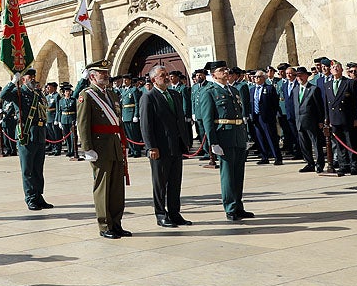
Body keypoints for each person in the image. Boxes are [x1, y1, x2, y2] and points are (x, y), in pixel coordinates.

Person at [76, 61, 129, 238]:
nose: (106, 76)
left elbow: (118, 121)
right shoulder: (87, 95)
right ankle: (105, 225)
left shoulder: (112, 94)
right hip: (99, 146)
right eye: (101, 73)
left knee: (117, 187)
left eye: (106, 73)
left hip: (115, 144)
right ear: (92, 76)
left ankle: (116, 223)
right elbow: (83, 123)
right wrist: (87, 148)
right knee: (103, 186)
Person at [197, 61, 253, 221]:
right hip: (224, 137)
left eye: (226, 70)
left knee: (238, 174)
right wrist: (213, 143)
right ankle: (230, 208)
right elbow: (208, 119)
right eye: (222, 70)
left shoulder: (234, 90)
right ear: (214, 75)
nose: (226, 72)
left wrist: (245, 135)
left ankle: (238, 205)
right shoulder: (209, 92)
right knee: (228, 175)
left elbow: (240, 114)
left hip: (238, 136)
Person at [139, 66, 190, 228]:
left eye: (167, 74)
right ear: (154, 80)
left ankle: (175, 213)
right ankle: (161, 214)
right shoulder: (149, 97)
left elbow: (179, 120)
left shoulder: (175, 95)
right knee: (160, 184)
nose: (167, 77)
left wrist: (185, 141)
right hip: (160, 148)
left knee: (175, 182)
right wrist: (151, 147)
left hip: (176, 146)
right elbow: (146, 125)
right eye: (163, 75)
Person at [0, 69, 53, 211]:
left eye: (34, 76)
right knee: (27, 169)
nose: (33, 79)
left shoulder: (37, 93)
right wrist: (13, 82)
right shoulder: (19, 93)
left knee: (38, 169)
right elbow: (3, 95)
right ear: (23, 79)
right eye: (30, 77)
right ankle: (30, 198)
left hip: (40, 134)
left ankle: (38, 196)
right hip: (26, 135)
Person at [325, 61, 357, 175]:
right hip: (334, 118)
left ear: (341, 70)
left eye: (337, 67)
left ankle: (354, 164)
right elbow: (326, 104)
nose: (335, 69)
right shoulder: (328, 85)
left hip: (347, 117)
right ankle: (343, 164)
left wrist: (356, 118)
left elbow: (356, 102)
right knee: (339, 144)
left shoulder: (349, 83)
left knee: (351, 142)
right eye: (333, 67)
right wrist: (327, 119)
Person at [249, 70, 282, 165]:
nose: (256, 78)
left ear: (264, 78)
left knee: (271, 137)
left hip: (267, 117)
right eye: (255, 77)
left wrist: (271, 115)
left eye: (258, 77)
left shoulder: (269, 88)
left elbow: (275, 103)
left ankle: (277, 157)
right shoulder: (252, 89)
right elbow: (250, 103)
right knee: (260, 137)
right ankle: (264, 156)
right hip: (256, 116)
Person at [56, 83, 78, 159]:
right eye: (66, 91)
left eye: (69, 91)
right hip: (64, 118)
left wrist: (76, 120)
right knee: (66, 136)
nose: (67, 93)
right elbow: (59, 111)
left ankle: (73, 150)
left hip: (71, 118)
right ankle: (69, 150)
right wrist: (59, 121)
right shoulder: (61, 101)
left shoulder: (74, 100)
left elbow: (76, 110)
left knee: (72, 136)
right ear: (64, 93)